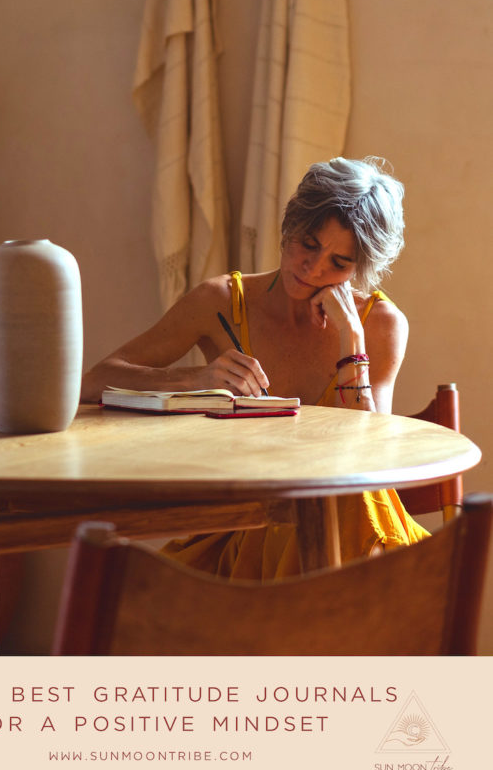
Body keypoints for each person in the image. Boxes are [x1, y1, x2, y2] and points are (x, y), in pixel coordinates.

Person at [81, 156, 428, 579]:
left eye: (339, 263)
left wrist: (350, 341)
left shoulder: (381, 324)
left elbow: (370, 459)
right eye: (309, 243)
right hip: (248, 527)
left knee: (338, 490)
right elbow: (94, 381)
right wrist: (197, 380)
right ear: (288, 228)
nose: (314, 268)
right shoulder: (222, 302)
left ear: (360, 269)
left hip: (354, 528)